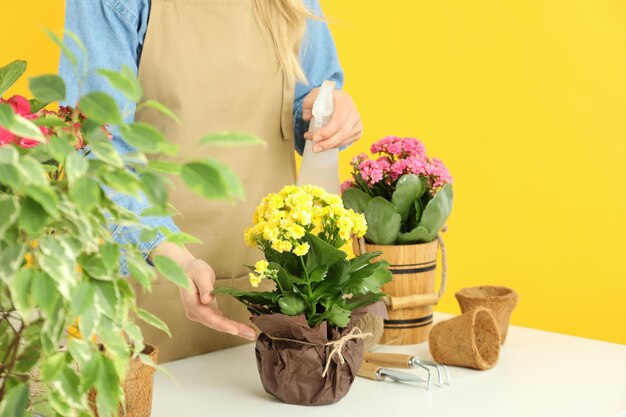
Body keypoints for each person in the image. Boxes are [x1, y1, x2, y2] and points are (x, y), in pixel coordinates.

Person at [60, 0, 363, 362]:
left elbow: (308, 103)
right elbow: (95, 149)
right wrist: (176, 258)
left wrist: (331, 113)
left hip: (276, 302)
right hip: (149, 291)